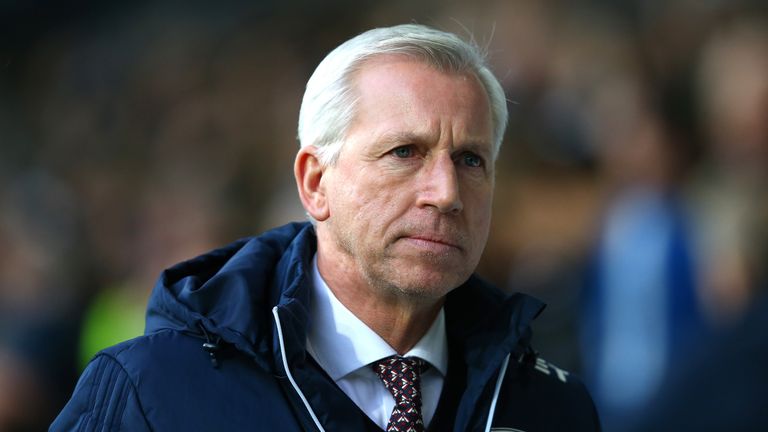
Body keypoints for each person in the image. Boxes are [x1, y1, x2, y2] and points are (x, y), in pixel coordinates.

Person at [51, 24, 600, 431]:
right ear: (315, 182)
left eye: (471, 160)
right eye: (404, 152)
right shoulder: (156, 391)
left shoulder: (552, 409)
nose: (446, 192)